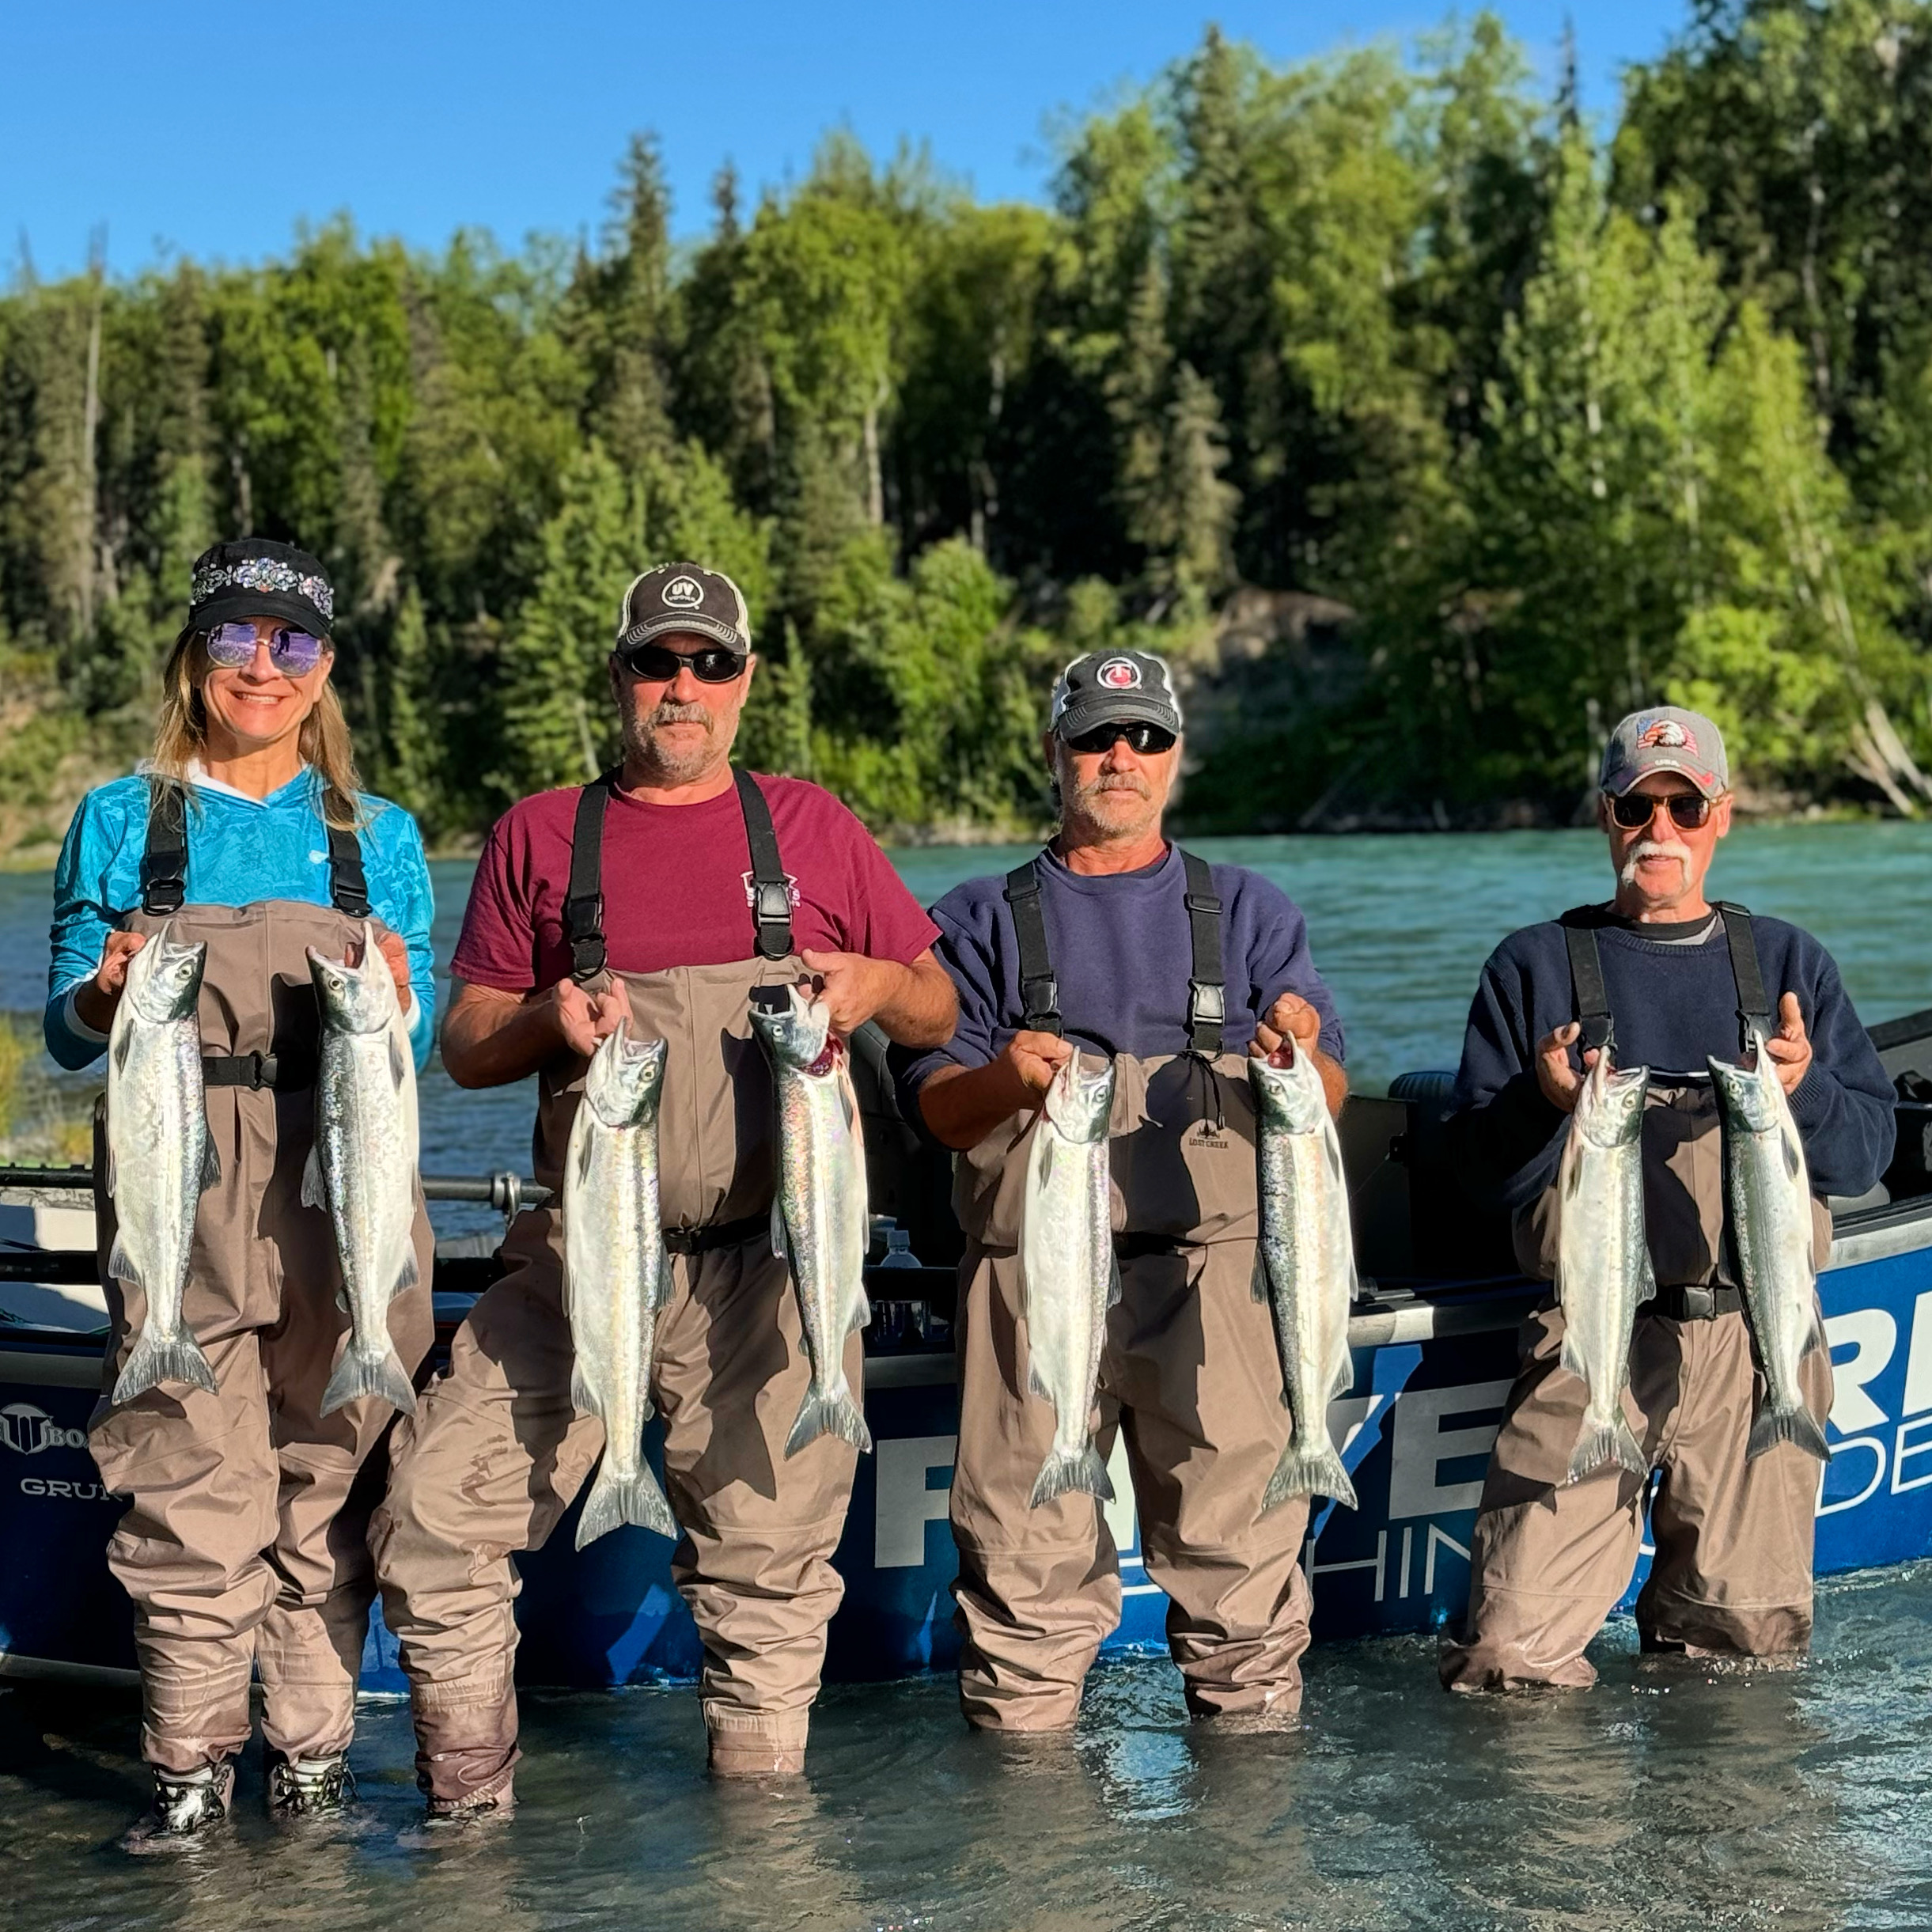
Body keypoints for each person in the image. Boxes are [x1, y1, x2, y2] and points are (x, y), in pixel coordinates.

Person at [372, 561, 956, 1813]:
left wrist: (872, 982)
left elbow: (937, 1005)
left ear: (744, 681)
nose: (680, 687)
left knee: (768, 1580)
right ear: (618, 678)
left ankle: (761, 1843)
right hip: (577, 1261)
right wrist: (546, 1017)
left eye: (707, 663)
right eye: (655, 662)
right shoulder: (539, 833)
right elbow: (465, 1041)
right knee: (431, 1513)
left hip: (772, 1270)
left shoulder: (813, 825)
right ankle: (464, 1823)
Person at [47, 539, 438, 1844]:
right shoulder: (123, 817)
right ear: (193, 654)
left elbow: (417, 1033)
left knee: (328, 1483)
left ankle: (315, 1763)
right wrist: (102, 991)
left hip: (346, 1166)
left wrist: (398, 993)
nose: (263, 667)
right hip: (179, 1172)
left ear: (325, 667)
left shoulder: (377, 834)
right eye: (235, 637)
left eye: (293, 642)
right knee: (186, 1485)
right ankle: (189, 1775)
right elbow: (61, 1028)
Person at [898, 650, 1348, 1732]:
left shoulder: (1248, 909)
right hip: (1032, 1281)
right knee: (1022, 1591)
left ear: (1175, 755)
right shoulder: (976, 917)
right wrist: (1009, 1080)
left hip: (1218, 1285)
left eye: (1145, 736)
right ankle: (1030, 1813)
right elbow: (937, 1110)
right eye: (1097, 736)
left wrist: (1298, 1055)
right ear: (1054, 750)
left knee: (1245, 1598)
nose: (1120, 757)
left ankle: (1248, 1810)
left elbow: (1329, 1094)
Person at [1438, 706, 1896, 1691]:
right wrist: (1542, 1102)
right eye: (1636, 806)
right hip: (1589, 1342)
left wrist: (1802, 1087)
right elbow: (1478, 1175)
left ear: (1721, 815)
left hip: (1756, 1346)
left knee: (1742, 1668)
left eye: (1684, 807)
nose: (1660, 830)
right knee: (1507, 1659)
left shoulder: (1789, 964)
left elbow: (1866, 1156)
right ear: (1604, 815)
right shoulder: (1532, 966)